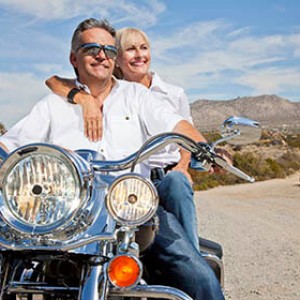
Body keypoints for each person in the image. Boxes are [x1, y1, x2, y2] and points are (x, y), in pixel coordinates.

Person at [0, 18, 224, 300]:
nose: (101, 55)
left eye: (108, 49)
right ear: (74, 58)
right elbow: (9, 145)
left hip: (134, 210)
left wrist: (202, 146)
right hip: (66, 217)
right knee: (11, 263)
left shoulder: (137, 96)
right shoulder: (52, 105)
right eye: (91, 48)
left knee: (197, 274)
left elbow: (175, 124)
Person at [45, 27, 199, 250]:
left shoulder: (173, 94)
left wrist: (184, 166)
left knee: (177, 186)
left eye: (144, 48)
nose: (139, 55)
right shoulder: (106, 89)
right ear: (117, 59)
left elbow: (185, 131)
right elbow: (53, 81)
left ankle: (191, 254)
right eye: (130, 49)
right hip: (128, 182)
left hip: (166, 175)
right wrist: (84, 99)